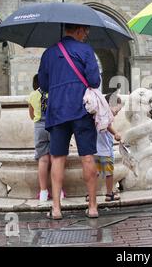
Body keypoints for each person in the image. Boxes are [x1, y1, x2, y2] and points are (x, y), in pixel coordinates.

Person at [38, 23, 101, 220]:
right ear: (80, 30)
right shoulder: (86, 50)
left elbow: (43, 84)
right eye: (86, 32)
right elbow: (94, 81)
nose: (86, 35)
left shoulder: (48, 53)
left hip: (57, 111)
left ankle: (56, 208)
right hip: (81, 109)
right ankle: (92, 206)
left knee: (57, 158)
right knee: (88, 157)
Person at [27, 74, 60, 205]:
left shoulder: (32, 95)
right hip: (54, 126)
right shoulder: (55, 94)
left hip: (39, 127)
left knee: (43, 159)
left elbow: (32, 115)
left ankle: (43, 192)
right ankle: (58, 191)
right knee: (56, 159)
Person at [94, 94, 123, 202]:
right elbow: (108, 126)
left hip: (94, 150)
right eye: (117, 110)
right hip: (105, 150)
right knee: (109, 173)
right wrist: (116, 134)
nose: (117, 113)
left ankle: (90, 194)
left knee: (94, 174)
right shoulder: (105, 116)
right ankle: (109, 194)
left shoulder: (97, 114)